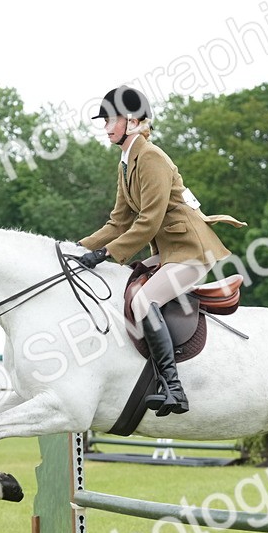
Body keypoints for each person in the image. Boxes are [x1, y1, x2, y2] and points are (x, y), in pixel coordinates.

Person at [75, 86, 243, 417]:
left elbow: (148, 222)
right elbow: (117, 221)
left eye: (112, 120)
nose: (106, 127)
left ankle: (173, 387)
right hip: (170, 251)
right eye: (105, 121)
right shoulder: (126, 162)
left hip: (190, 251)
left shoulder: (150, 157)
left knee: (143, 301)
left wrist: (105, 253)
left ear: (134, 122)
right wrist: (75, 249)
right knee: (124, 283)